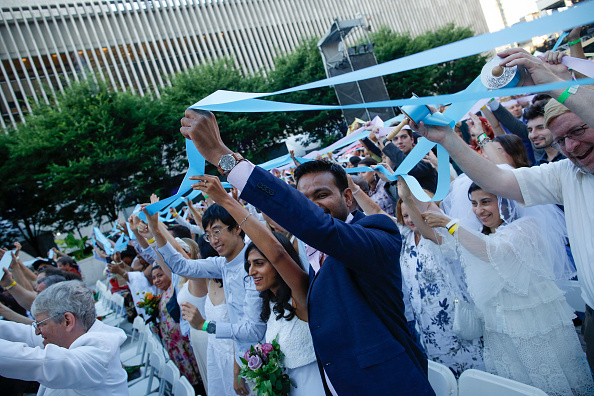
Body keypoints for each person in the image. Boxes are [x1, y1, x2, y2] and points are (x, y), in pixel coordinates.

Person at [180, 110, 434, 395]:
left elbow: (318, 227)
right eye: (304, 200)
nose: (313, 206)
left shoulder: (377, 232)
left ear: (347, 197)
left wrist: (221, 155)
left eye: (322, 195)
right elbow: (280, 252)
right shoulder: (312, 254)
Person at [414, 47, 594, 370]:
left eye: (579, 131)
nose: (571, 146)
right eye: (562, 139)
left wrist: (552, 83)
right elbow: (497, 181)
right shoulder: (566, 173)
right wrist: (448, 140)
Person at [423, 183, 592, 395]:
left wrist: (451, 224)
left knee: (551, 383)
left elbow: (494, 252)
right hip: (499, 327)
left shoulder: (526, 227)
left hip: (534, 324)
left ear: (504, 202)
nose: (479, 210)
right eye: (474, 204)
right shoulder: (478, 235)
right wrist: (409, 193)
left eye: (486, 202)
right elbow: (434, 231)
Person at [191, 174, 325, 395]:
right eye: (249, 264)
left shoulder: (299, 297)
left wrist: (226, 201)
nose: (251, 271)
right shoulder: (271, 307)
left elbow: (278, 253)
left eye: (260, 263)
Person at [144, 202, 265, 396]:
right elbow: (182, 267)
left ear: (237, 228)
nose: (213, 240)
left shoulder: (252, 264)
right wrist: (155, 229)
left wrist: (206, 325)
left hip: (263, 357)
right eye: (208, 235)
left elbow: (253, 330)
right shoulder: (222, 264)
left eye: (217, 231)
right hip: (240, 357)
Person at [395, 180, 484, 377]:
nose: (411, 219)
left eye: (414, 213)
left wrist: (407, 197)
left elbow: (426, 228)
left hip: (454, 319)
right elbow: (377, 212)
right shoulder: (406, 238)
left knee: (472, 373)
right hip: (427, 324)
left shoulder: (440, 235)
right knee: (444, 375)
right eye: (406, 215)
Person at [0, 280, 128, 395]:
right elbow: (24, 334)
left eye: (40, 324)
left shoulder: (97, 354)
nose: (37, 332)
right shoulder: (73, 336)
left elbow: (42, 362)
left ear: (67, 321)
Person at [151, 265, 203, 388]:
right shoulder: (163, 294)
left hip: (183, 342)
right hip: (174, 345)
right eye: (154, 278)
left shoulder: (176, 289)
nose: (157, 280)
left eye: (160, 275)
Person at [525, 100, 565, 165]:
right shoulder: (538, 166)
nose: (533, 135)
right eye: (530, 130)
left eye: (540, 128)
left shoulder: (573, 159)